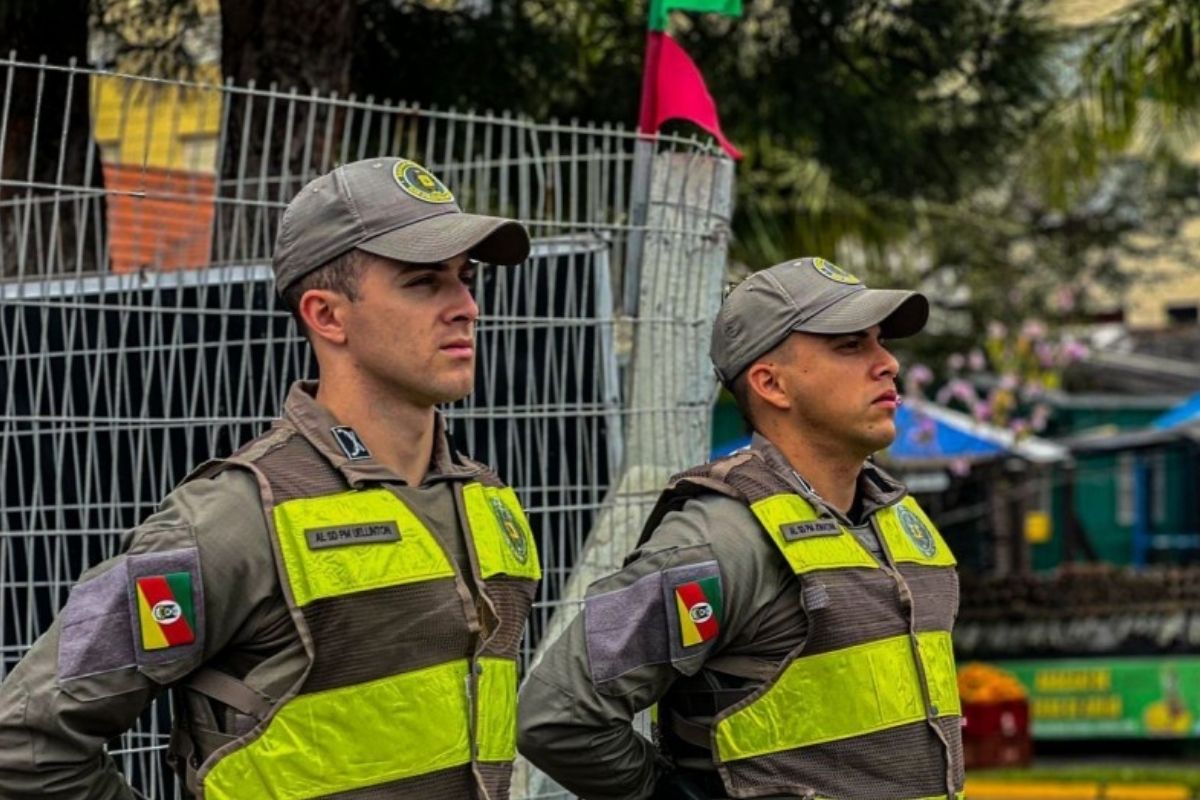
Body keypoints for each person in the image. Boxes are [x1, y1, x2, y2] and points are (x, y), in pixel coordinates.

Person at [0, 157, 542, 800]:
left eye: (467, 278)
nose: (467, 307)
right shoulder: (235, 518)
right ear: (328, 315)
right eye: (425, 283)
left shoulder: (488, 502)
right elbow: (24, 745)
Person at [518, 257, 963, 800]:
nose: (888, 363)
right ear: (771, 384)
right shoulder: (720, 537)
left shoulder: (901, 521)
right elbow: (558, 715)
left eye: (879, 342)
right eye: (851, 345)